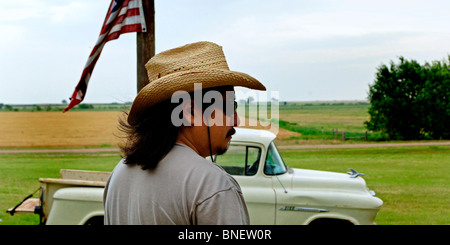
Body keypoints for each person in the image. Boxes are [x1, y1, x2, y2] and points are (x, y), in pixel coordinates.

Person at [103, 41, 266, 225]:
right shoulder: (211, 185)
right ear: (190, 112)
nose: (236, 120)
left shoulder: (118, 175)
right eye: (229, 106)